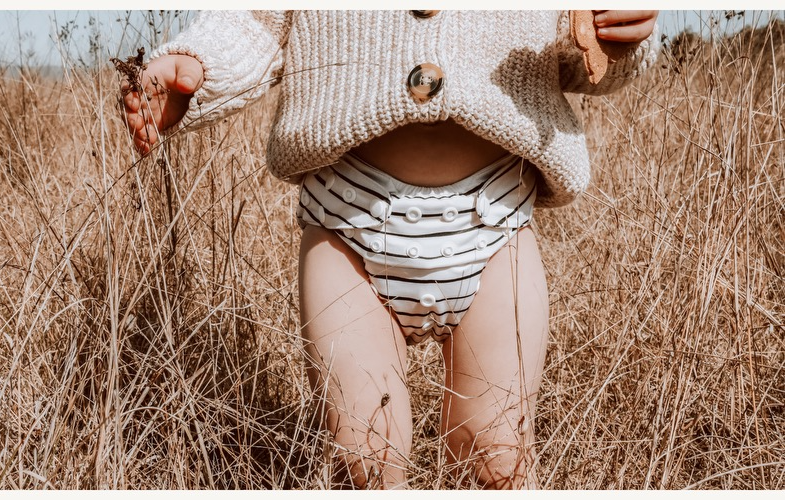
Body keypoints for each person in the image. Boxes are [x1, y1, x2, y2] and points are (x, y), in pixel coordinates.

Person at [121, 10, 659, 489]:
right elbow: (258, 22)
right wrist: (198, 65)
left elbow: (580, 44)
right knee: (366, 463)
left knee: (498, 460)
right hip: (348, 224)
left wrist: (620, 37)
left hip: (493, 223)